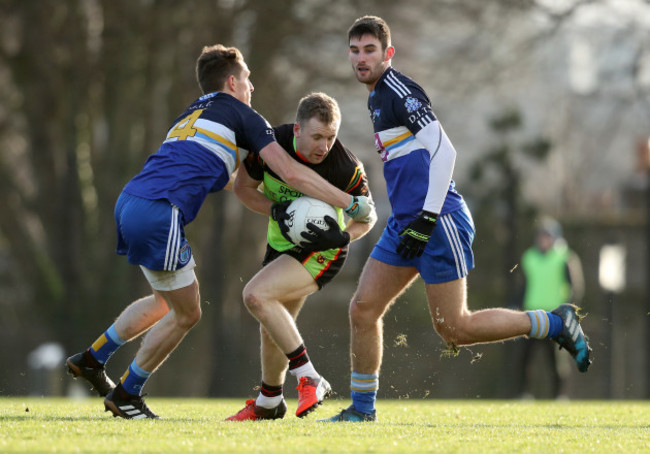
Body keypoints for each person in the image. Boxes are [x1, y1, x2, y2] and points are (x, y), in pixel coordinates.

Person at [65, 44, 374, 419]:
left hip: (130, 201)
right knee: (188, 313)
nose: (252, 87)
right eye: (247, 79)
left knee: (165, 301)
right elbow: (290, 173)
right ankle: (128, 393)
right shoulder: (246, 117)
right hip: (160, 212)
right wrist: (348, 202)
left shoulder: (192, 113)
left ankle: (94, 357)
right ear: (232, 82)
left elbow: (222, 174)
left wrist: (277, 207)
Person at [321, 16, 592, 422]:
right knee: (362, 308)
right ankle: (362, 411)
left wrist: (427, 219)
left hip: (437, 219)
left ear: (387, 54)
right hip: (406, 222)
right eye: (355, 51)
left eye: (370, 50)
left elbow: (445, 152)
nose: (361, 59)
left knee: (455, 328)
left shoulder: (398, 90)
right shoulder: (375, 97)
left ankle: (553, 323)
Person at [224, 92, 376, 421]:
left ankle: (309, 377)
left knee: (255, 295)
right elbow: (243, 189)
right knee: (272, 323)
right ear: (297, 130)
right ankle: (269, 401)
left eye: (331, 137)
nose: (324, 146)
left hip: (322, 251)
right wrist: (274, 209)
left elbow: (368, 218)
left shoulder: (345, 166)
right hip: (281, 245)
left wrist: (343, 235)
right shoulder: (270, 148)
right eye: (317, 137)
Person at [516, 217, 585, 399]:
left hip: (555, 316)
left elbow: (573, 285)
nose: (544, 240)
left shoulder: (564, 257)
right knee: (526, 359)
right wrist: (517, 305)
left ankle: (559, 396)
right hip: (531, 314)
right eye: (541, 236)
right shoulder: (529, 257)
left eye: (547, 237)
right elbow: (524, 285)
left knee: (555, 360)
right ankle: (525, 394)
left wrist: (570, 310)